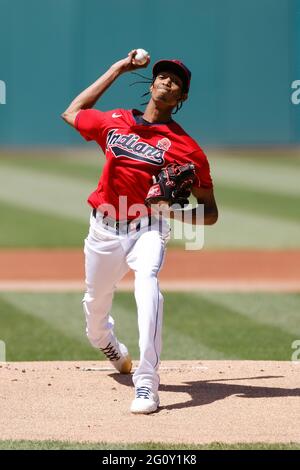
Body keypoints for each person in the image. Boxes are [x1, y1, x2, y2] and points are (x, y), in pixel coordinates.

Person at [61, 49, 218, 414]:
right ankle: (109, 343)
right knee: (94, 318)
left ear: (182, 97)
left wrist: (172, 211)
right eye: (163, 76)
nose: (168, 81)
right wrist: (118, 67)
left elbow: (210, 213)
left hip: (148, 226)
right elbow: (72, 112)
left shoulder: (187, 149)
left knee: (148, 285)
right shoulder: (114, 121)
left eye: (176, 81)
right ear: (152, 83)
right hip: (102, 229)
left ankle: (146, 383)